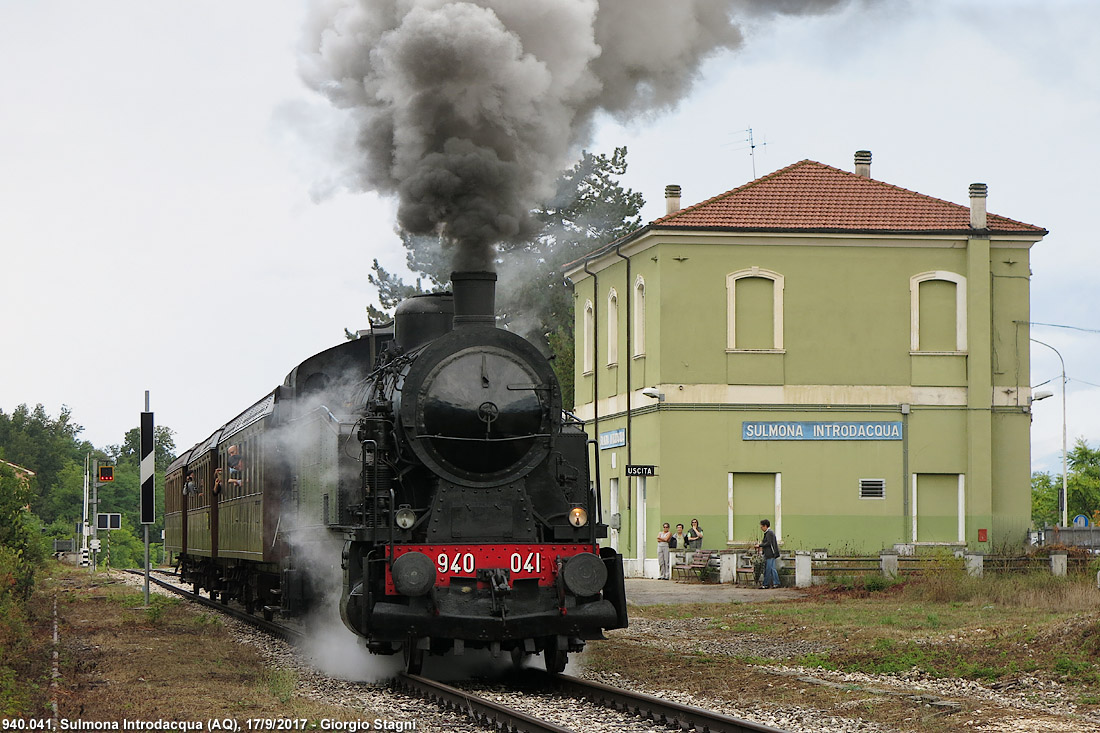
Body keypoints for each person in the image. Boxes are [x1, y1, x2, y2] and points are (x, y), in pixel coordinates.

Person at [756, 519, 780, 588]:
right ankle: (775, 583)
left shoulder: (769, 533)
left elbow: (768, 543)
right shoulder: (769, 533)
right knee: (771, 568)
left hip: (770, 553)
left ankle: (766, 584)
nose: (761, 528)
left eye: (761, 527)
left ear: (765, 526)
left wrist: (760, 545)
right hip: (770, 553)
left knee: (769, 569)